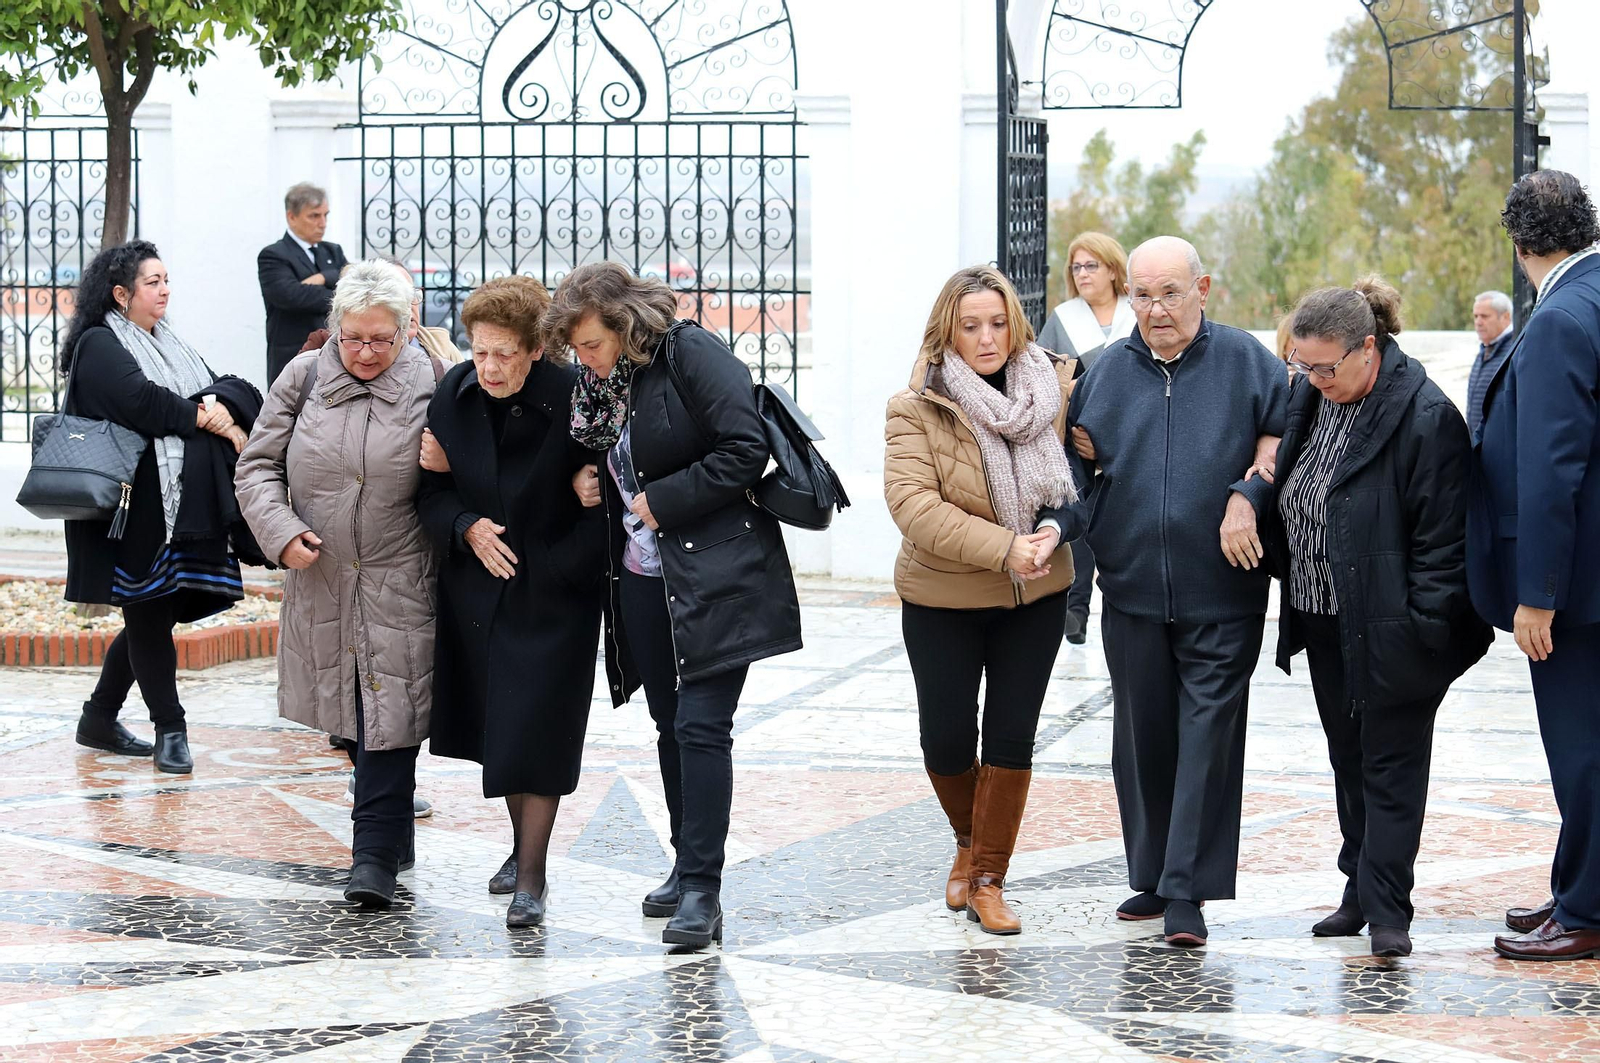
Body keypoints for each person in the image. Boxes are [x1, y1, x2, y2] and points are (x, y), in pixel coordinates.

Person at [551, 261, 801, 950]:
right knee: (669, 723)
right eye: (577, 349)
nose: (585, 360)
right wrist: (585, 473)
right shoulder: (606, 385)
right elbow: (613, 453)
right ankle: (685, 863)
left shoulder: (690, 353)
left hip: (717, 572)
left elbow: (746, 449)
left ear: (624, 323)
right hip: (642, 575)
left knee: (700, 724)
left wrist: (664, 499)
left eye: (592, 344)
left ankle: (702, 891)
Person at [1068, 235, 1288, 948]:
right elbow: (1073, 466)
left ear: (1203, 288)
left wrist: (1248, 495)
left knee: (1206, 738)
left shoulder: (1249, 361)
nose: (1156, 309)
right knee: (1143, 738)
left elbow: (1289, 442)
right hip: (1132, 586)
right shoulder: (1105, 371)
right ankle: (1156, 875)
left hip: (1223, 590)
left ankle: (1188, 890)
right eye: (1142, 294)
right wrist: (1086, 524)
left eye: (1169, 292)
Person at [1262, 279, 1491, 958]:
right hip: (1323, 616)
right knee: (1349, 760)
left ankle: (1390, 910)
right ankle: (1357, 892)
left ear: (1369, 347)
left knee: (1390, 767)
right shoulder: (1312, 396)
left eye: (1325, 367)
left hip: (1395, 626)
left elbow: (1443, 544)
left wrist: (1423, 633)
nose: (1313, 379)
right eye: (1302, 365)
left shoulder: (1425, 415)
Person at [884, 265, 1084, 935]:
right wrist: (1005, 547)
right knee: (945, 739)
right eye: (971, 326)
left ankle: (988, 879)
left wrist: (1051, 531)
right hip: (943, 596)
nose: (987, 337)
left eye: (998, 323)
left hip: (1037, 594)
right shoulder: (916, 405)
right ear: (948, 331)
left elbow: (1081, 484)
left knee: (1009, 736)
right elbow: (913, 505)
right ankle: (969, 841)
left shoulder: (1054, 390)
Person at [420, 276, 623, 928]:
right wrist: (466, 527)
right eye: (479, 351)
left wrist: (577, 528)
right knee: (505, 731)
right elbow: (429, 494)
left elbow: (614, 483)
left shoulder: (574, 396)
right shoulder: (454, 394)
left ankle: (531, 878)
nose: (489, 367)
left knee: (539, 730)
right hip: (482, 589)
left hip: (555, 591)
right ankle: (520, 849)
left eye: (504, 353)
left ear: (537, 349)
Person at [236, 260, 438, 909]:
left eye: (381, 339)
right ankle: (393, 827)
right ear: (337, 327)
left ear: (407, 329)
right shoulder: (303, 377)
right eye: (354, 338)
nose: (366, 352)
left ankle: (371, 859)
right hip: (321, 577)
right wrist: (281, 531)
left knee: (390, 718)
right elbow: (256, 467)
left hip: (401, 577)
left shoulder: (435, 379)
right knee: (350, 721)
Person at [61, 240, 261, 776]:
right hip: (128, 511)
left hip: (175, 506)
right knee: (148, 611)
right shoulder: (101, 344)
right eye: (152, 282)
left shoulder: (168, 342)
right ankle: (171, 729)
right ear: (121, 294)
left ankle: (99, 716)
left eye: (166, 280)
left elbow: (228, 385)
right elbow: (144, 403)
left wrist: (220, 406)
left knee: (153, 613)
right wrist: (209, 417)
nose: (165, 290)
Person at [1468, 171, 1600, 961]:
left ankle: (1585, 910)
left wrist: (1537, 595)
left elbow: (1553, 468)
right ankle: (1578, 883)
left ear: (1519, 245)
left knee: (1582, 750)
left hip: (1577, 586)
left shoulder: (1558, 318)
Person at [1036, 232, 1135, 646]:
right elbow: (1041, 372)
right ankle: (1075, 610)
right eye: (1076, 267)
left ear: (1113, 269)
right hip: (1078, 438)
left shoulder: (1138, 312)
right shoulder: (1064, 318)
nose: (1082, 274)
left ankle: (1123, 605)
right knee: (1079, 515)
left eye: (1091, 265)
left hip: (1132, 437)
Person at [258, 182, 350, 385]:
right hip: (293, 359)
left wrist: (324, 277)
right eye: (314, 216)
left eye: (325, 215)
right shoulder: (273, 255)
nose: (323, 223)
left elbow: (353, 283)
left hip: (337, 358)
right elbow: (292, 296)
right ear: (291, 217)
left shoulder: (333, 251)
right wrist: (341, 293)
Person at [1465, 290, 1514, 437]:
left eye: (1484, 316)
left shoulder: (1513, 351)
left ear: (1505, 317)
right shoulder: (1485, 350)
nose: (1478, 322)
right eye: (1476, 316)